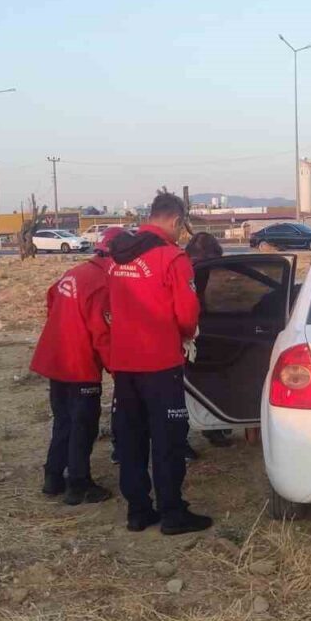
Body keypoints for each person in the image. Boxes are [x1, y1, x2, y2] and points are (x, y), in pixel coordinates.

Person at [107, 192, 211, 534]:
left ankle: (138, 511)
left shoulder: (117, 255)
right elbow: (187, 314)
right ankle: (172, 512)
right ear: (176, 221)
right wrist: (188, 334)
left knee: (131, 437)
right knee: (168, 439)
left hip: (124, 362)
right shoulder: (172, 258)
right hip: (160, 362)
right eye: (182, 228)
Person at [29, 227, 125, 506]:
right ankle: (79, 484)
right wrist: (119, 372)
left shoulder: (75, 272)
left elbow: (51, 299)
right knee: (83, 424)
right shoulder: (103, 283)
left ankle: (53, 477)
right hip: (78, 363)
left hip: (55, 357)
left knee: (63, 420)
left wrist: (66, 325)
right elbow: (103, 334)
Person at [184, 231, 234, 452]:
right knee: (180, 391)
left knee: (201, 383)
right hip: (183, 334)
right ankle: (182, 441)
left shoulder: (196, 269)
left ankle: (213, 427)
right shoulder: (187, 271)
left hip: (199, 329)